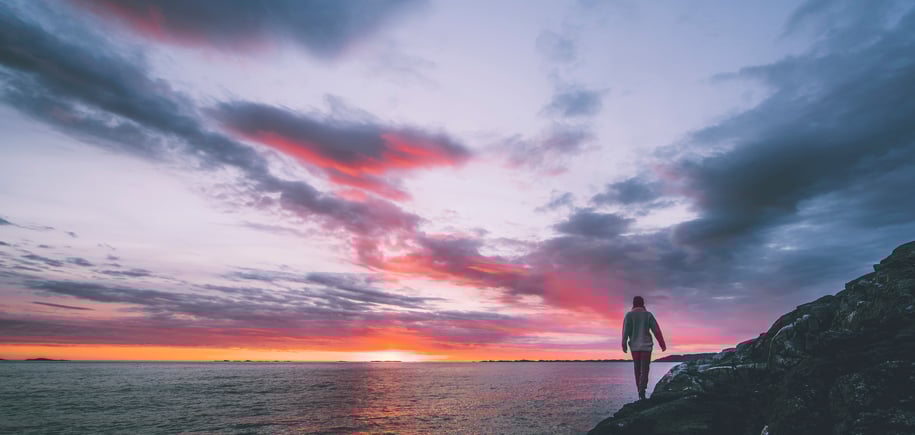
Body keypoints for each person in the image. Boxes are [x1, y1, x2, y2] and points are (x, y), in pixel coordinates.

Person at [621, 296, 666, 400]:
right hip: (646, 346)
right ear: (643, 304)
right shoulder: (648, 315)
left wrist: (623, 344)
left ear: (633, 304)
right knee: (644, 370)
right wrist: (662, 344)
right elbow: (656, 330)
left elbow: (625, 331)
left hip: (634, 347)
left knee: (637, 369)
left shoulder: (629, 315)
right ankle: (642, 390)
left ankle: (640, 392)